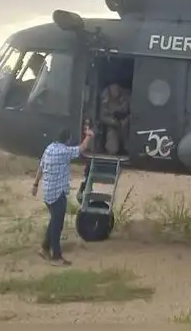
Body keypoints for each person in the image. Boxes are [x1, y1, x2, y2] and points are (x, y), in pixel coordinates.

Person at [32, 128, 90, 266]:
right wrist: (89, 135)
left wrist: (35, 184)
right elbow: (82, 148)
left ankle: (45, 248)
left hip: (47, 192)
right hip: (58, 194)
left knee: (54, 221)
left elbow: (41, 166)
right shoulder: (64, 151)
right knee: (57, 226)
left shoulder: (49, 148)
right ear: (68, 139)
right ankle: (56, 256)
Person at [99, 82, 131, 155]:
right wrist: (115, 122)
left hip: (126, 124)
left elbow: (134, 113)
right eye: (112, 90)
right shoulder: (105, 100)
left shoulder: (126, 98)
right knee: (112, 147)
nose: (114, 92)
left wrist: (126, 120)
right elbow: (103, 117)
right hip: (113, 124)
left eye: (116, 89)